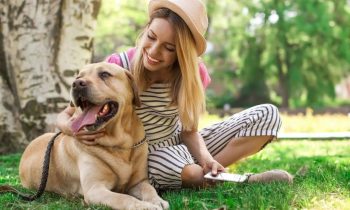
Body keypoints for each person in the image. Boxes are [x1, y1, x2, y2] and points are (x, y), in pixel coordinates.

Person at [57, 0, 292, 190]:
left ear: (183, 53)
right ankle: (240, 180)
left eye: (169, 48)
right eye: (151, 37)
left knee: (268, 115)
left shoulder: (193, 74)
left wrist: (207, 158)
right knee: (189, 172)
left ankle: (209, 173)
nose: (154, 51)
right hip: (143, 156)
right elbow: (67, 114)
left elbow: (189, 132)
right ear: (146, 30)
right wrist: (72, 130)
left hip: (180, 143)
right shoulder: (118, 67)